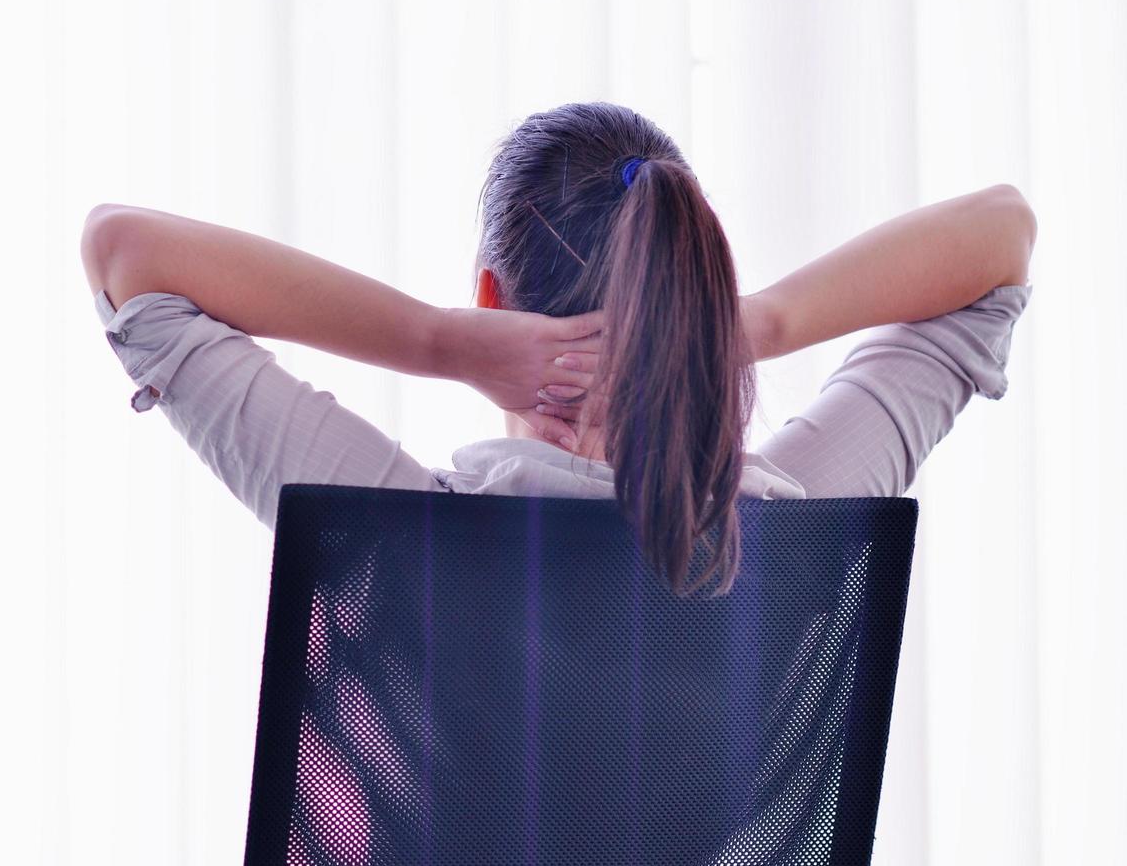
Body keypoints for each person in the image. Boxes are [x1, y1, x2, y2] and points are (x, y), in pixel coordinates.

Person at [79, 101, 1036, 597]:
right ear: (690, 279)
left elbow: (127, 255)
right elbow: (1001, 241)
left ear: (493, 298)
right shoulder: (790, 522)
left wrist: (439, 341)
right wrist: (746, 324)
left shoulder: (397, 533)